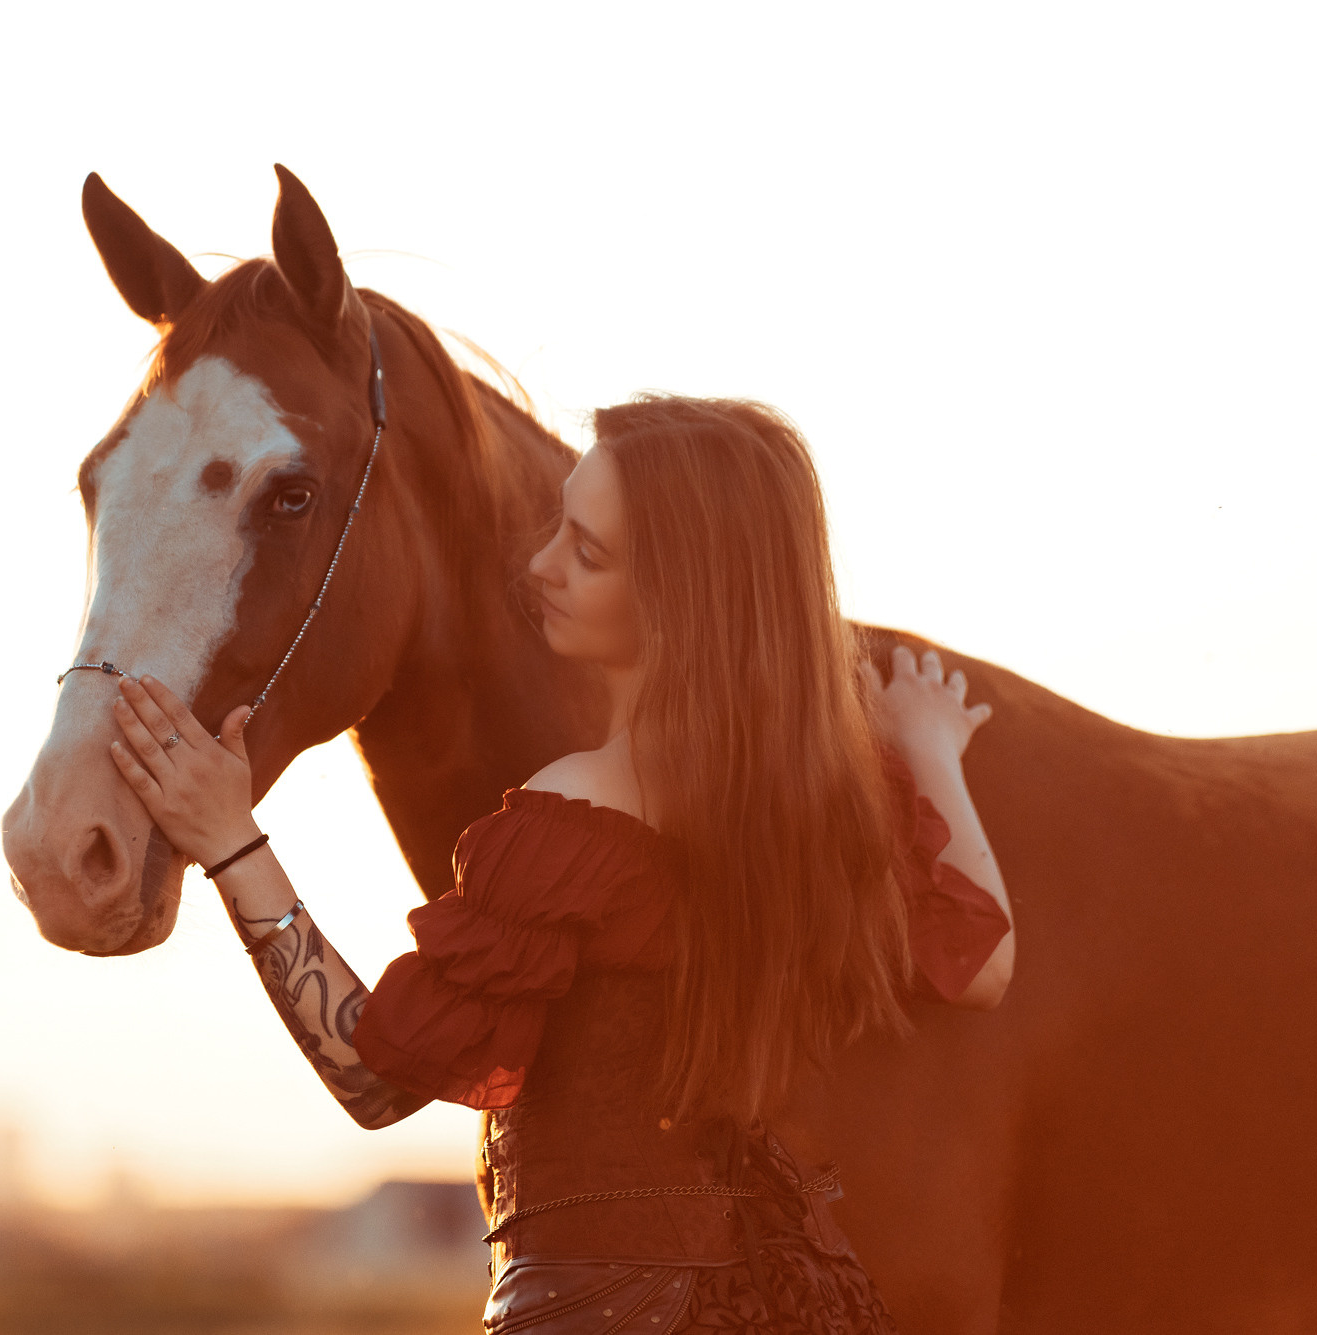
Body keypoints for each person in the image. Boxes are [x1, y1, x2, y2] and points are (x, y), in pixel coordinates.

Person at [103, 394, 1014, 1333]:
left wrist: (230, 838)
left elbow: (373, 1080)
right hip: (783, 1299)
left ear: (678, 598)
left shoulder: (581, 813)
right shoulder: (824, 810)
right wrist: (932, 749)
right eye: (559, 526)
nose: (541, 565)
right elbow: (984, 964)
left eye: (588, 552)